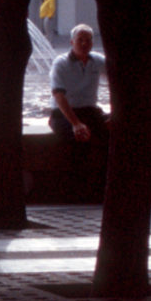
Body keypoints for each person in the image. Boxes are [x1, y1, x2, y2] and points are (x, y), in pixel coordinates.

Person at [49, 24, 109, 198]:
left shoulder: (97, 60)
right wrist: (75, 124)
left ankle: (103, 187)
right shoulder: (61, 63)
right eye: (80, 40)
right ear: (72, 42)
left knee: (112, 134)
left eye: (88, 40)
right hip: (64, 114)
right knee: (79, 139)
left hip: (90, 111)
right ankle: (77, 190)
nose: (84, 43)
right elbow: (59, 96)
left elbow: (117, 81)